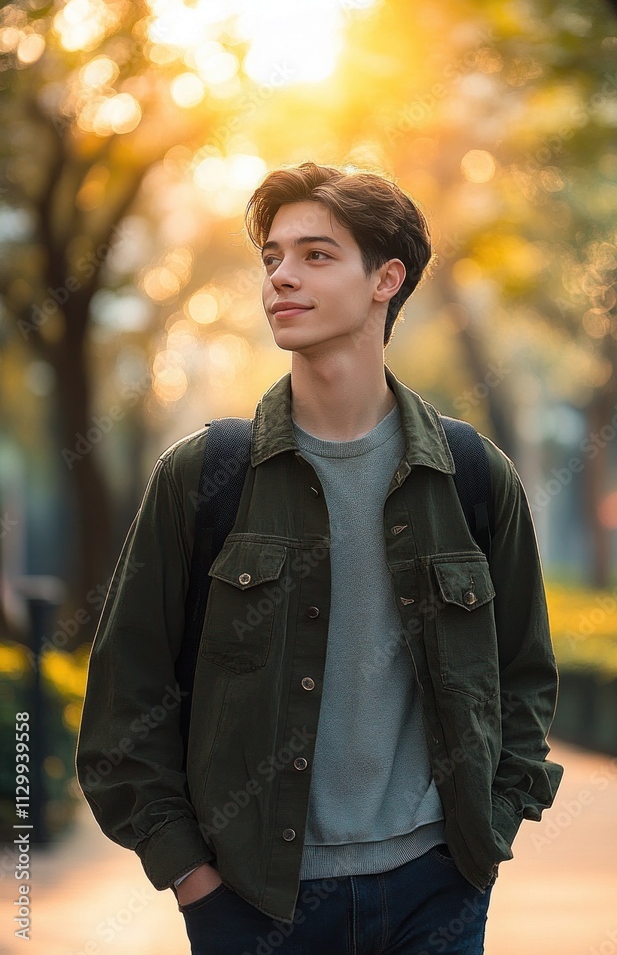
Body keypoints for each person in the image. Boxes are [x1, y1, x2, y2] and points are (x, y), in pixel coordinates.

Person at [76, 161, 564, 954]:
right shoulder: (203, 477)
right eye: (271, 257)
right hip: (253, 901)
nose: (280, 279)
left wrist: (487, 836)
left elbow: (525, 677)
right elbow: (124, 706)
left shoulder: (471, 475)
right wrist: (192, 878)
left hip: (434, 893)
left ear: (387, 279)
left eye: (315, 255)